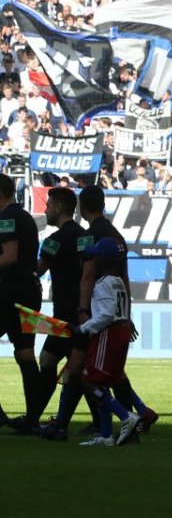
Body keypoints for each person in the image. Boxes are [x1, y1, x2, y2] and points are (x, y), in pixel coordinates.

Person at [74, 185, 158, 435]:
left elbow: (88, 275)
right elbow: (125, 277)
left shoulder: (92, 236)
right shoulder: (116, 236)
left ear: (82, 206)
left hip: (100, 318)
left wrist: (82, 311)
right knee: (114, 373)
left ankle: (118, 420)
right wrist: (127, 315)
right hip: (119, 317)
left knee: (86, 373)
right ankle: (140, 412)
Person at [23, 187, 87, 435]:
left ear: (59, 208)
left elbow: (37, 271)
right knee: (65, 363)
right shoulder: (84, 235)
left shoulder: (54, 240)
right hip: (82, 310)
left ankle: (42, 420)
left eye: (48, 205)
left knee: (66, 366)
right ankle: (37, 417)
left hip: (65, 314)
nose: (46, 209)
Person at [76, 238, 141, 447]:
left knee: (88, 380)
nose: (92, 259)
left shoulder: (103, 282)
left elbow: (105, 314)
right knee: (103, 383)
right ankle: (105, 435)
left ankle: (125, 416)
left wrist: (83, 328)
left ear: (103, 260)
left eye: (95, 256)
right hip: (120, 332)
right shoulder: (118, 281)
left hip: (108, 334)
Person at [0, 172, 45, 431]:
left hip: (10, 292)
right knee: (25, 352)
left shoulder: (6, 218)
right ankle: (32, 419)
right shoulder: (25, 217)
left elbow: (9, 256)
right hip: (28, 289)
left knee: (25, 353)